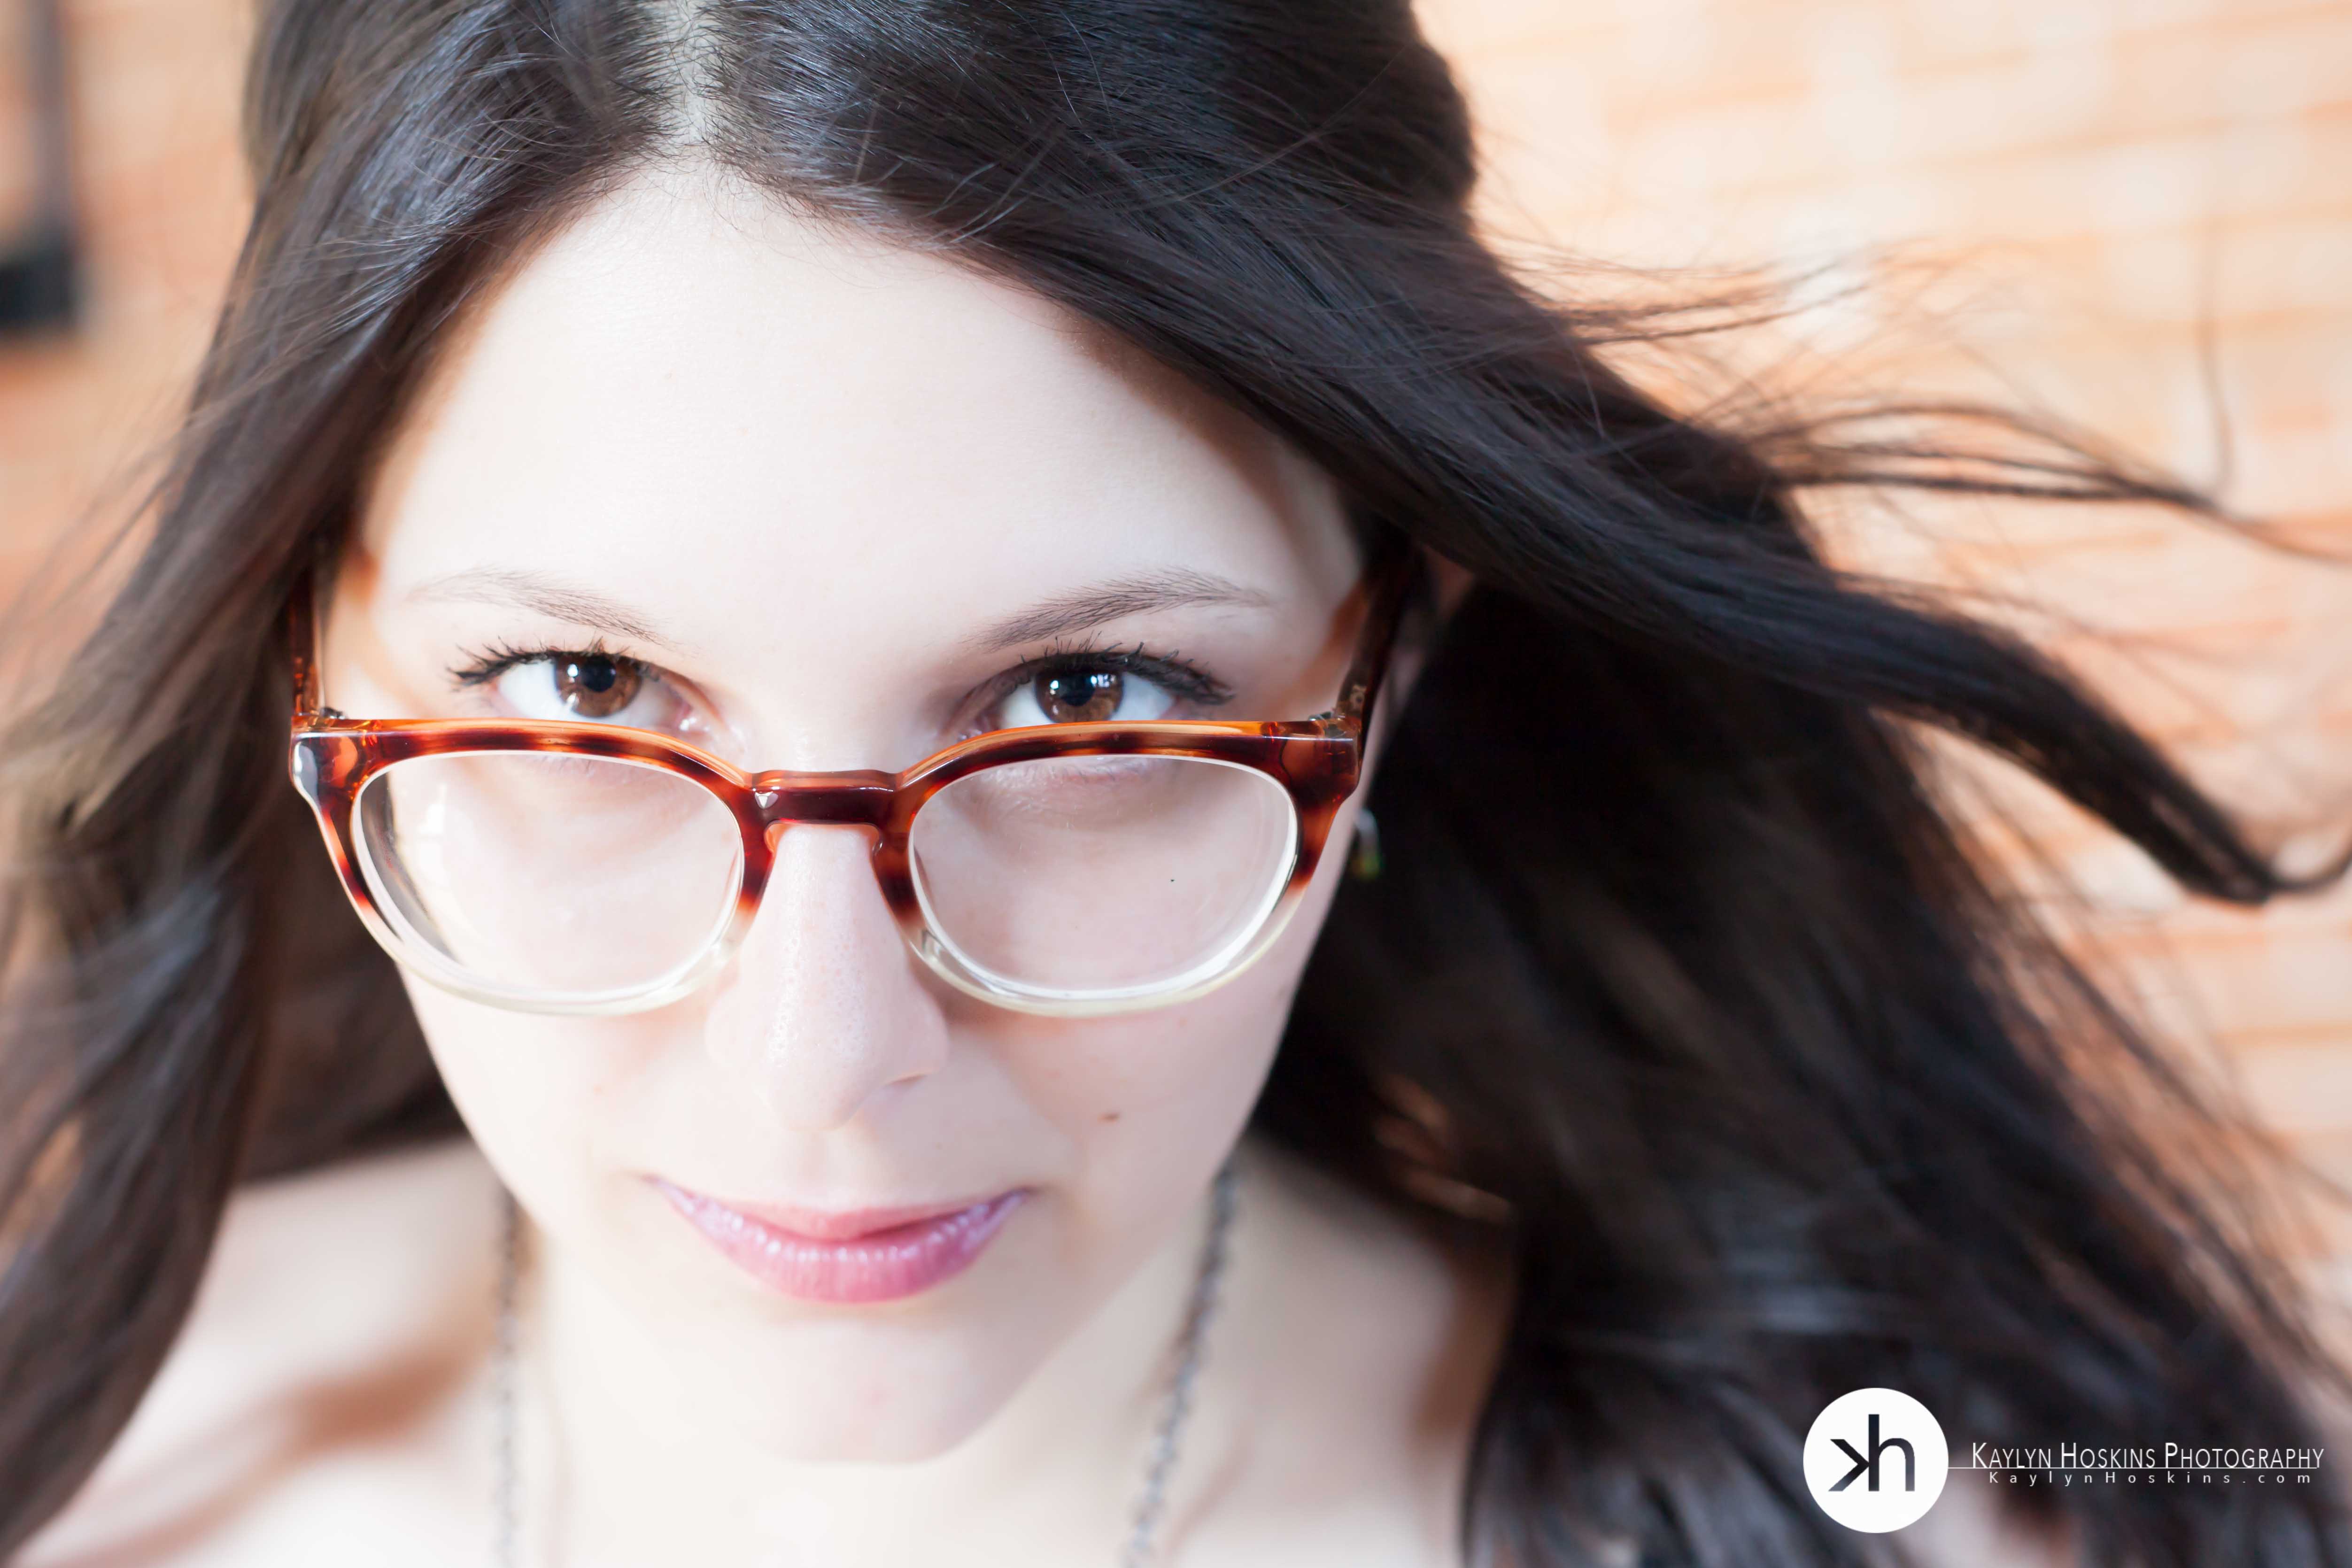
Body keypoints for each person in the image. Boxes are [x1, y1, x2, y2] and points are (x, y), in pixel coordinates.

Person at [3, 2, 2346, 1564]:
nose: (825, 1064)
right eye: (585, 685)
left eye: (1088, 705)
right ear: (314, 654)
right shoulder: (89, 1477)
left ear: (1394, 657)